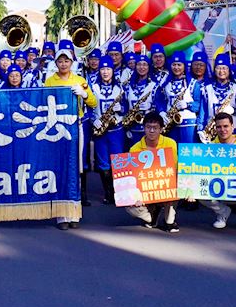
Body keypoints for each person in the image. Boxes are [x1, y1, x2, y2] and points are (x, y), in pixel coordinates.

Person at [45, 46, 97, 227]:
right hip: (58, 127)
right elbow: (45, 102)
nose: (63, 64)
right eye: (60, 61)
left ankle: (74, 213)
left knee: (76, 167)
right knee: (61, 167)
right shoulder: (50, 81)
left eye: (67, 60)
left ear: (72, 62)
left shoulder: (80, 79)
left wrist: (83, 94)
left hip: (77, 125)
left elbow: (93, 101)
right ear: (56, 63)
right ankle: (61, 215)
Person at [122, 112, 179, 232]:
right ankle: (150, 216)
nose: (151, 131)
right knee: (128, 201)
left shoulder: (170, 143)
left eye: (155, 128)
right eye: (148, 127)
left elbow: (175, 168)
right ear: (144, 128)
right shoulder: (135, 149)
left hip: (165, 186)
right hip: (145, 189)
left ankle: (170, 220)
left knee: (178, 185)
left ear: (161, 129)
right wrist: (136, 196)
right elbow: (133, 177)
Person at [86, 56, 128, 205]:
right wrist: (93, 119)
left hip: (116, 129)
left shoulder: (120, 87)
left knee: (118, 161)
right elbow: (88, 106)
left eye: (108, 69)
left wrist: (121, 109)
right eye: (102, 69)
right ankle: (108, 192)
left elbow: (127, 107)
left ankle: (119, 192)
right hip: (100, 130)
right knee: (103, 162)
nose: (105, 72)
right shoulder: (93, 87)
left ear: (112, 70)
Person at [201, 112, 236, 229]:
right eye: (219, 127)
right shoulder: (210, 147)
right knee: (199, 189)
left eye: (226, 126)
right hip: (218, 186)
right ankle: (222, 212)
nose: (222, 130)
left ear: (232, 127)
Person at [158, 51, 200, 144]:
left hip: (189, 124)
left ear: (184, 66)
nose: (176, 67)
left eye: (179, 65)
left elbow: (198, 105)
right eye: (174, 64)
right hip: (170, 123)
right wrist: (161, 112)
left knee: (187, 153)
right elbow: (159, 100)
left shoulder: (193, 83)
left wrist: (188, 105)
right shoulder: (165, 83)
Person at [198, 54, 236, 138]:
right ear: (214, 70)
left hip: (234, 129)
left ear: (229, 70)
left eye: (224, 68)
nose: (221, 71)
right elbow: (202, 112)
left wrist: (234, 111)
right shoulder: (207, 89)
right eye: (218, 68)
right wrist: (200, 129)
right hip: (212, 131)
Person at [123, 57, 159, 146]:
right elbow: (125, 106)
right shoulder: (127, 86)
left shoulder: (155, 86)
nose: (142, 67)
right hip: (132, 128)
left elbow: (160, 106)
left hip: (150, 130)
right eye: (139, 64)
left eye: (145, 64)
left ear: (149, 67)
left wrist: (151, 106)